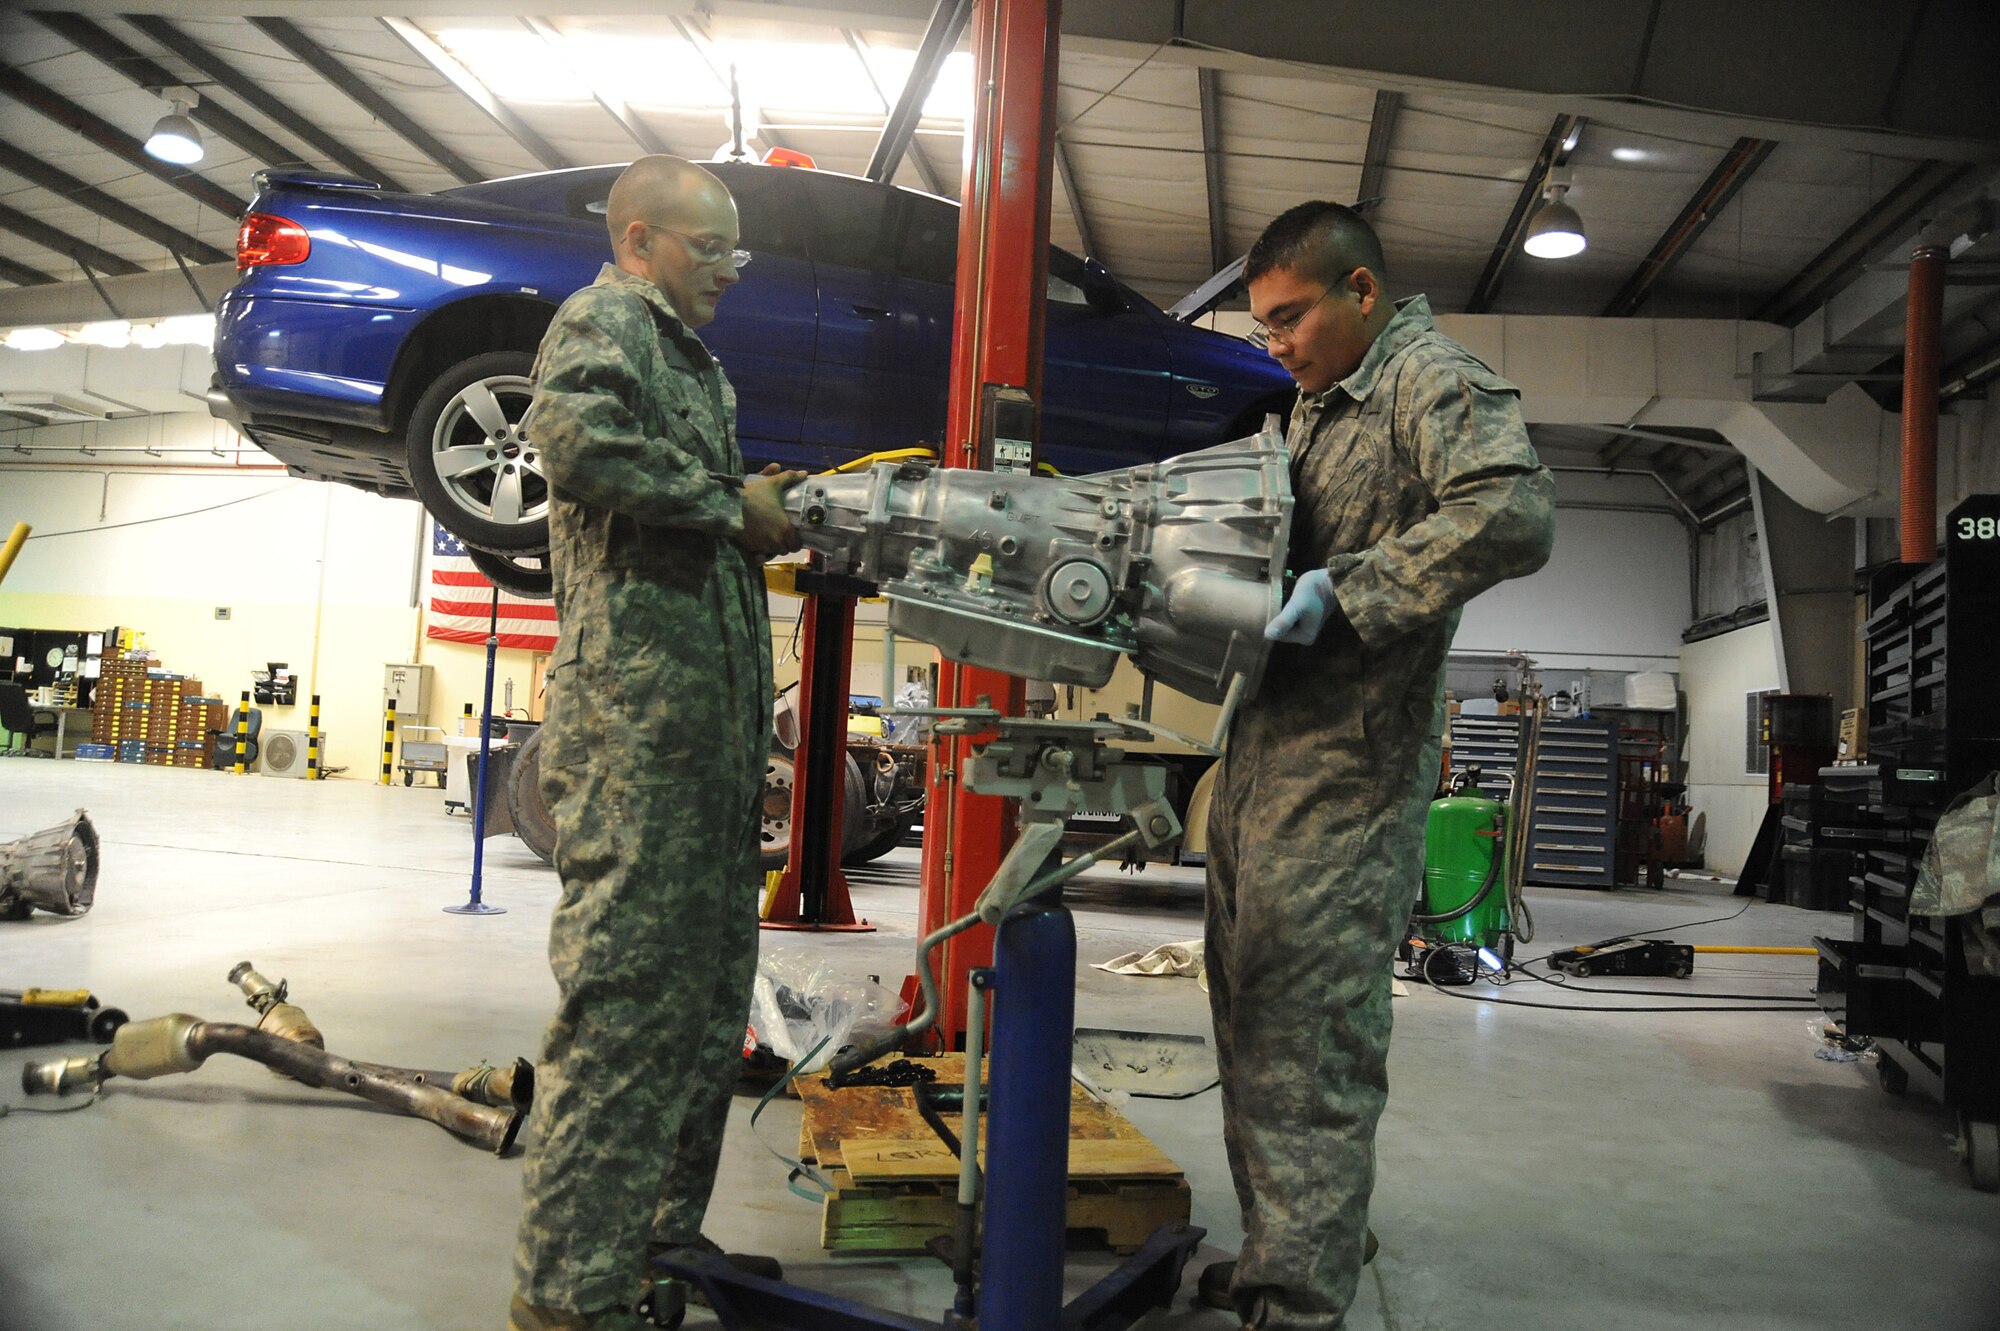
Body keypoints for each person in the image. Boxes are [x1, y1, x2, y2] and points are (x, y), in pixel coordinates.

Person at [1202, 201, 1555, 1329]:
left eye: (1290, 316)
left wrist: (1347, 592)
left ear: (1361, 291)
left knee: (1308, 1044)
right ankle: (1284, 1253)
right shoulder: (1317, 404)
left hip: (1345, 778)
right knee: (1254, 1017)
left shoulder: (1424, 379)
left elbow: (1512, 510)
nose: (1277, 343)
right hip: (1269, 757)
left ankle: (1297, 1301)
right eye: (1262, 326)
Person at [506, 155, 805, 1331]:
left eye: (739, 249)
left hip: (705, 739)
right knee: (625, 1011)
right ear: (639, 240)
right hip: (636, 738)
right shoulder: (602, 322)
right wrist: (732, 505)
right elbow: (573, 446)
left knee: (697, 1016)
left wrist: (757, 512)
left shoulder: (689, 355)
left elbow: (678, 506)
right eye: (710, 247)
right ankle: (568, 1294)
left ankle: (660, 1250)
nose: (730, 268)